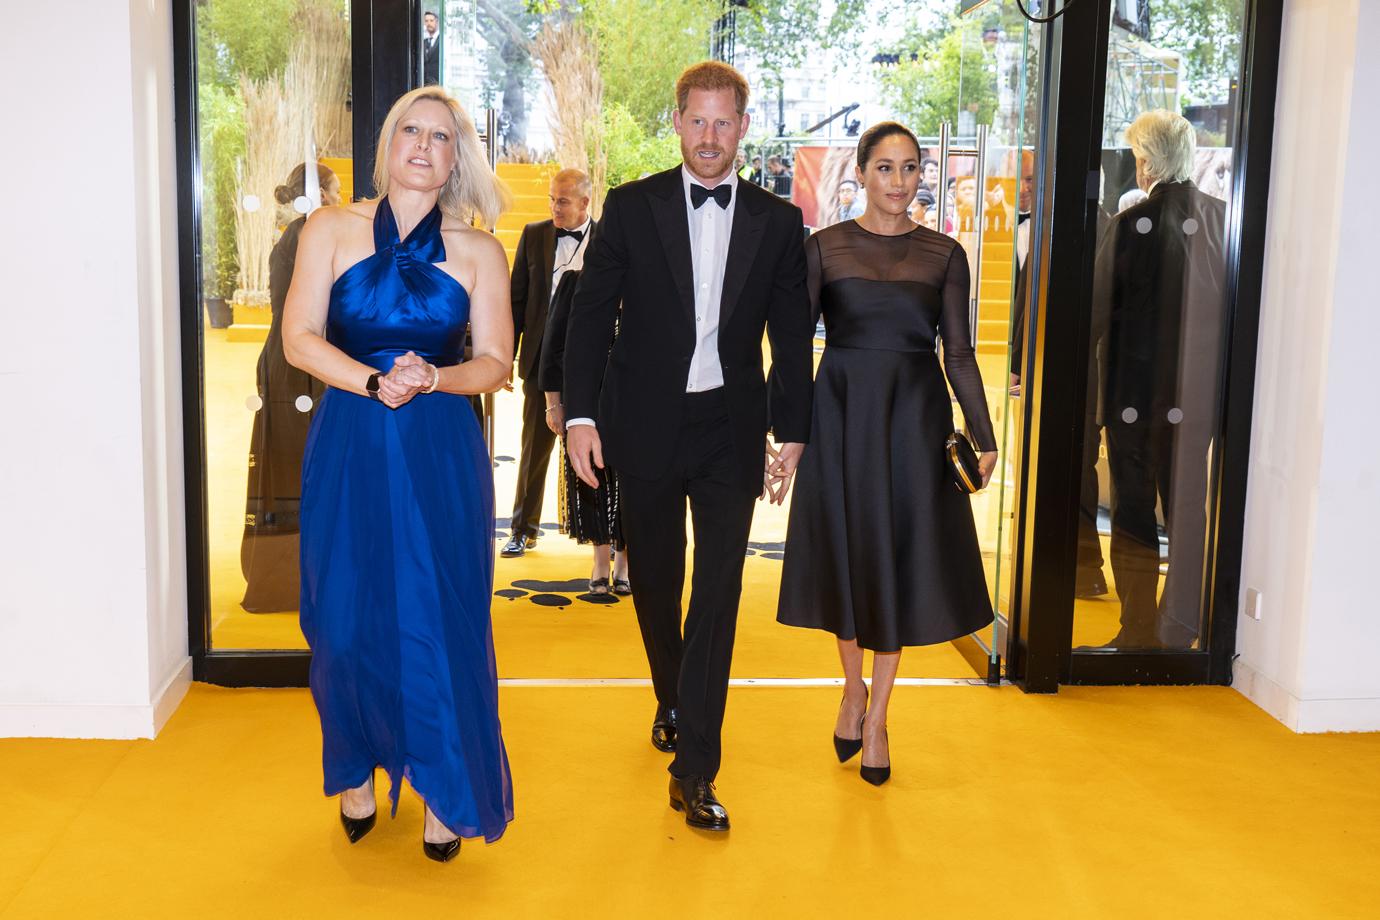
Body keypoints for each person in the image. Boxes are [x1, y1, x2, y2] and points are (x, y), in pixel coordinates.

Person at [563, 61, 814, 831]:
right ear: (677, 121)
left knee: (720, 593)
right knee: (659, 586)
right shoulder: (632, 209)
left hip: (729, 428)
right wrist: (578, 417)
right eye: (696, 121)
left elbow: (791, 334)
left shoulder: (778, 222)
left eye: (723, 123)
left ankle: (695, 764)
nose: (709, 138)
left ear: (743, 127)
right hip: (642, 423)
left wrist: (794, 428)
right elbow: (588, 316)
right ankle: (672, 693)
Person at [282, 86, 515, 861]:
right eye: (410, 131)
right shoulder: (330, 229)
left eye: (441, 137)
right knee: (344, 621)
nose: (422, 145)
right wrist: (371, 380)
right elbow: (298, 339)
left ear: (456, 159)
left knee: (440, 618)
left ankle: (444, 786)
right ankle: (354, 764)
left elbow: (495, 363)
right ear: (387, 145)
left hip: (439, 448)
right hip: (352, 437)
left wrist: (433, 379)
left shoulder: (481, 251)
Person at [777, 121, 998, 786]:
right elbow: (792, 347)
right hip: (840, 413)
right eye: (885, 168)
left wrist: (984, 435)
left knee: (897, 561)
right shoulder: (825, 248)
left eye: (909, 169)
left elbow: (956, 351)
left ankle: (878, 720)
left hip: (913, 421)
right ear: (862, 174)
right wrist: (787, 432)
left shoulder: (944, 255)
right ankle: (852, 689)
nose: (898, 182)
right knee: (847, 556)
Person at [1088, 109, 1226, 648]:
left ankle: (1137, 629)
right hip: (1198, 399)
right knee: (1189, 509)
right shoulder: (1222, 220)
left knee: (1135, 510)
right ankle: (1181, 626)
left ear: (1147, 162)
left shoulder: (1128, 227)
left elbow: (1096, 314)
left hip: (1133, 399)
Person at [240, 161, 337, 613]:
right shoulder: (308, 235)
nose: (341, 200)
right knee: (303, 469)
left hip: (290, 358)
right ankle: (297, 580)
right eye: (336, 192)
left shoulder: (302, 232)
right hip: (300, 363)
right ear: (319, 196)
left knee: (295, 465)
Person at [502, 168, 594, 559]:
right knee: (533, 449)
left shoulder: (609, 239)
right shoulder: (534, 234)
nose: (555, 207)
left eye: (564, 201)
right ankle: (524, 528)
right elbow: (516, 302)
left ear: (585, 203)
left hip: (593, 364)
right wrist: (505, 356)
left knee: (596, 452)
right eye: (552, 200)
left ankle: (601, 541)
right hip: (541, 359)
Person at [539, 267, 630, 595]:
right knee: (593, 479)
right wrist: (554, 403)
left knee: (634, 482)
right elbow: (553, 347)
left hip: (636, 403)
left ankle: (625, 562)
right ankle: (601, 560)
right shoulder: (576, 281)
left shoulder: (651, 276)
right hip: (585, 404)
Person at [422, 10, 441, 86]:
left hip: (438, 83)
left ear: (437, 22)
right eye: (426, 21)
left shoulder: (442, 40)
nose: (428, 23)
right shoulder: (424, 42)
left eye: (431, 20)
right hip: (424, 84)